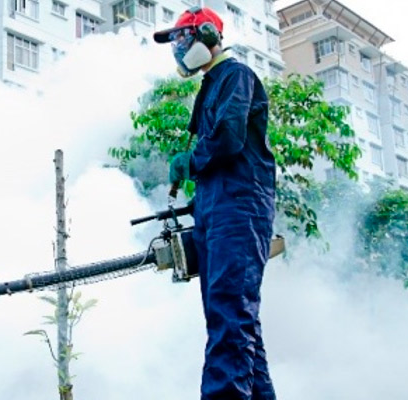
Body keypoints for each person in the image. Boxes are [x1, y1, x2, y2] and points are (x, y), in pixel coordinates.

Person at [153, 7, 277, 400]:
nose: (177, 47)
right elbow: (217, 160)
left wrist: (188, 162)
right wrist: (194, 198)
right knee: (237, 321)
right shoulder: (211, 84)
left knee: (229, 314)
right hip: (218, 208)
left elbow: (228, 140)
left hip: (239, 209)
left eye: (182, 38)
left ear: (208, 34)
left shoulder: (235, 76)